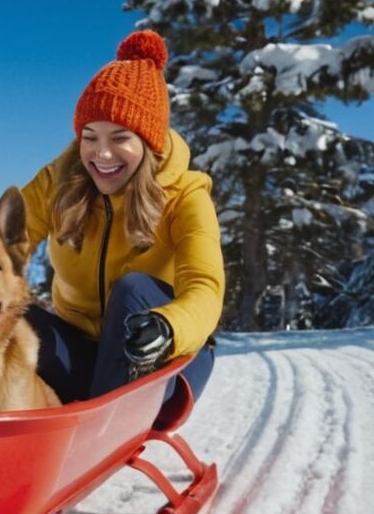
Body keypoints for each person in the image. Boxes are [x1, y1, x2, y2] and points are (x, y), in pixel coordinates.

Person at [21, 30, 225, 403]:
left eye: (120, 138)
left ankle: (97, 436)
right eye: (90, 137)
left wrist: (169, 326)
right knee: (8, 315)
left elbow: (205, 289)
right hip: (83, 354)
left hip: (163, 358)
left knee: (133, 288)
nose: (102, 155)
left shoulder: (186, 195)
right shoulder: (57, 182)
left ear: (148, 142)